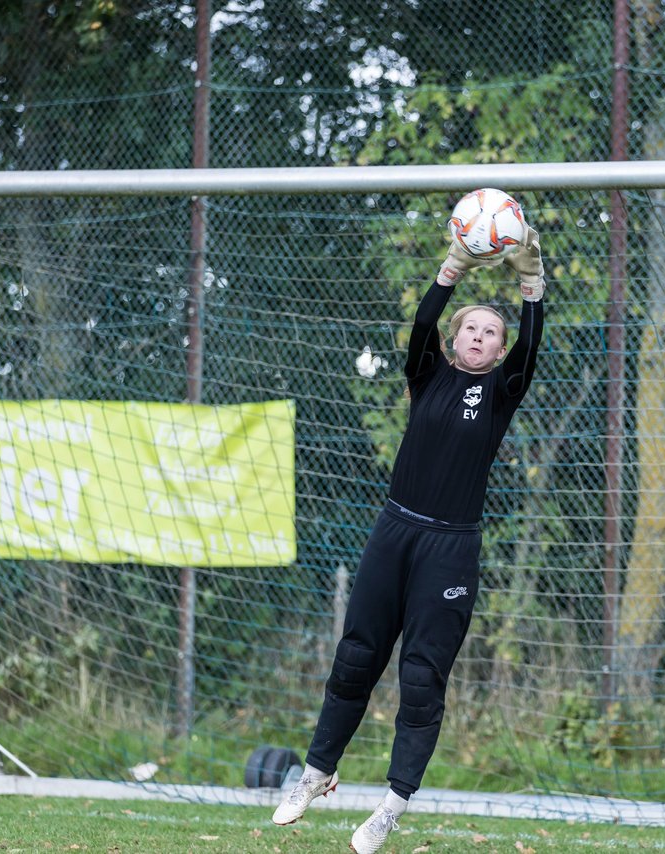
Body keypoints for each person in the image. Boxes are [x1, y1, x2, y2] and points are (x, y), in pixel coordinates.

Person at [271, 223, 546, 853]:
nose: (479, 337)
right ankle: (316, 773)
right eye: (471, 328)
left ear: (500, 351)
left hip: (449, 548)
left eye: (491, 333)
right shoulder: (427, 375)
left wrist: (531, 285)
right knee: (355, 657)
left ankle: (390, 808)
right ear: (456, 339)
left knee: (421, 678)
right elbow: (421, 328)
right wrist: (451, 270)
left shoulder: (501, 392)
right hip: (394, 532)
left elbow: (534, 348)